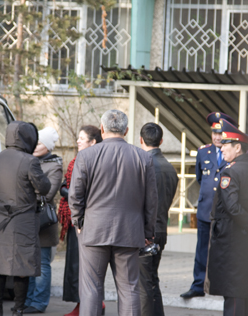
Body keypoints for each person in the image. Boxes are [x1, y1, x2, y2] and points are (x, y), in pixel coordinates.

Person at [69, 109, 158, 316]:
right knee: (129, 289)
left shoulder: (86, 156)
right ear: (126, 131)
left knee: (90, 290)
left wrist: (79, 222)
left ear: (102, 129)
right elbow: (151, 201)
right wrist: (147, 232)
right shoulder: (143, 158)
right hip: (129, 231)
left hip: (93, 230)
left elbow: (75, 195)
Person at [0, 121, 51, 316]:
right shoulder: (29, 161)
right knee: (22, 266)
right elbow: (44, 187)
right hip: (24, 221)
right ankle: (18, 310)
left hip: (0, 220)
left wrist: (0, 205)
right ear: (28, 138)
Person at [205, 118, 248, 316]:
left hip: (231, 241)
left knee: (233, 295)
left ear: (238, 147)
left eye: (226, 145)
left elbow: (232, 207)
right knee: (246, 294)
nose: (222, 149)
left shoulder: (230, 173)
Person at [181, 112, 237, 299]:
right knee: (201, 251)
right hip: (205, 211)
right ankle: (198, 285)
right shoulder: (203, 151)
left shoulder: (232, 153)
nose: (217, 137)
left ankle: (223, 286)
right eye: (214, 133)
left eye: (220, 133)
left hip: (225, 212)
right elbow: (200, 179)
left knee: (224, 251)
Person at [59, 125, 103, 316]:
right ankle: (80, 305)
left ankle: (93, 305)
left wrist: (70, 195)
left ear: (93, 142)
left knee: (85, 267)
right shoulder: (75, 161)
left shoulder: (95, 161)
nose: (78, 141)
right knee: (74, 266)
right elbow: (64, 185)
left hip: (86, 221)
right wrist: (67, 193)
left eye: (82, 138)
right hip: (73, 219)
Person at [138, 123, 178, 316]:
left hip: (146, 231)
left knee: (144, 283)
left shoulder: (142, 165)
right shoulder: (170, 168)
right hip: (161, 229)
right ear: (161, 141)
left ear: (140, 140)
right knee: (152, 279)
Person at [24, 127, 63, 314]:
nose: (35, 146)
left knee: (43, 264)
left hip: (43, 222)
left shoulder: (54, 165)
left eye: (39, 143)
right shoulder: (29, 161)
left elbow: (47, 194)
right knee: (30, 264)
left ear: (47, 147)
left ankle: (39, 303)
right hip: (28, 219)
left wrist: (26, 191)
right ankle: (29, 299)